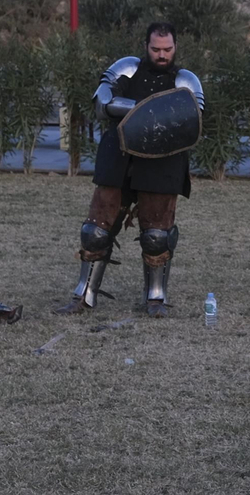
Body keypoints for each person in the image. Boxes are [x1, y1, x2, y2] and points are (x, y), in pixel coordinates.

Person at [58, 22, 204, 317]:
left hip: (164, 159)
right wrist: (151, 111)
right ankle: (83, 296)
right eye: (156, 49)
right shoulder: (126, 67)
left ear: (175, 47)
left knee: (157, 235)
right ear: (146, 46)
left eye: (167, 49)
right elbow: (102, 101)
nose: (162, 55)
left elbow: (194, 117)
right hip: (119, 154)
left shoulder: (186, 80)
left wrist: (137, 110)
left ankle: (155, 299)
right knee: (95, 231)